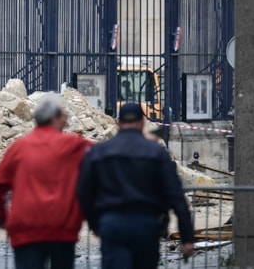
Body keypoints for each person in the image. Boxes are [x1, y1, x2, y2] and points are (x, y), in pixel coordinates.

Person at [76, 103, 194, 269]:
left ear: (118, 122)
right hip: (146, 224)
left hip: (112, 223)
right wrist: (187, 236)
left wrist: (95, 224)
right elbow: (176, 196)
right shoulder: (156, 153)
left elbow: (84, 191)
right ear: (142, 122)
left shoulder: (99, 152)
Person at [0, 93, 92, 269]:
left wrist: (1, 217)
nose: (66, 119)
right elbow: (102, 159)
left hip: (26, 229)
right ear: (55, 117)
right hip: (62, 228)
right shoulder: (73, 145)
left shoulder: (20, 147)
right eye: (64, 114)